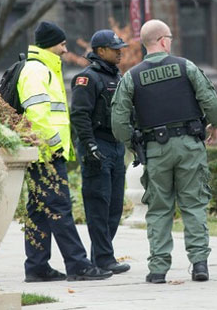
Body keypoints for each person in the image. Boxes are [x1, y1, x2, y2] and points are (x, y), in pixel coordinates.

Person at [111, 19, 217, 284]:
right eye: (170, 37)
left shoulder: (132, 77)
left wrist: (133, 144)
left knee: (159, 208)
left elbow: (119, 122)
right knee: (194, 204)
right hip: (189, 145)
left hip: (155, 149)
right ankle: (199, 265)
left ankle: (158, 269)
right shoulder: (186, 67)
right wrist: (215, 125)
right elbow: (210, 101)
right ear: (163, 40)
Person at [18, 21, 113, 282]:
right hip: (47, 153)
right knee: (60, 208)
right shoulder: (38, 71)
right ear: (51, 43)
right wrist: (55, 144)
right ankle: (78, 265)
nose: (65, 48)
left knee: (39, 210)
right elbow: (38, 115)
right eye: (62, 43)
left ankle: (37, 267)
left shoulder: (44, 68)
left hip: (43, 152)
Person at [70, 29, 130, 275]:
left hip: (116, 146)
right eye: (115, 49)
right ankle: (104, 259)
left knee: (115, 206)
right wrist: (90, 145)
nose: (120, 52)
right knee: (99, 204)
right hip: (97, 145)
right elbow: (79, 115)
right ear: (100, 51)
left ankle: (102, 256)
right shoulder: (87, 78)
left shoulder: (117, 76)